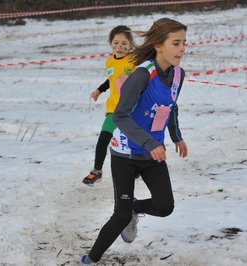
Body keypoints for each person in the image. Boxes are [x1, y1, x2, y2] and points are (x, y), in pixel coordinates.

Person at [80, 18, 188, 265]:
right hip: (125, 154)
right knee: (119, 216)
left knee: (164, 206)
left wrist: (177, 137)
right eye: (177, 43)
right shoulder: (142, 74)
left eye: (184, 42)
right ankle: (90, 259)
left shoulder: (179, 74)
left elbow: (170, 107)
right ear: (159, 45)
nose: (183, 48)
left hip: (153, 154)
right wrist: (150, 143)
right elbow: (119, 115)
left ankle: (135, 210)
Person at [82, 25, 136, 185]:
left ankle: (138, 167)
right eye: (116, 42)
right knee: (104, 138)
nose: (120, 46)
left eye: (124, 43)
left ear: (131, 45)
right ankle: (97, 170)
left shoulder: (134, 60)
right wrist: (99, 90)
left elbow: (143, 79)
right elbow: (110, 80)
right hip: (113, 109)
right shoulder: (110, 62)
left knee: (132, 140)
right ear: (110, 43)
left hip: (132, 109)